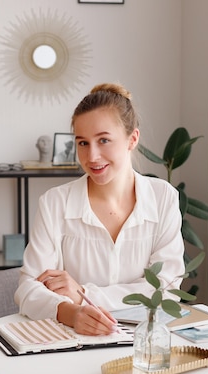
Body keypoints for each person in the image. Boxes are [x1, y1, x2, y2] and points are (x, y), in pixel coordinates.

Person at [15, 82, 185, 337]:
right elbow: (28, 289)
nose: (92, 156)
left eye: (103, 140)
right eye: (82, 143)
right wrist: (72, 313)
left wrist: (82, 295)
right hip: (72, 343)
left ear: (132, 139)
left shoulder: (164, 198)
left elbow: (165, 289)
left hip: (145, 343)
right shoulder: (54, 203)